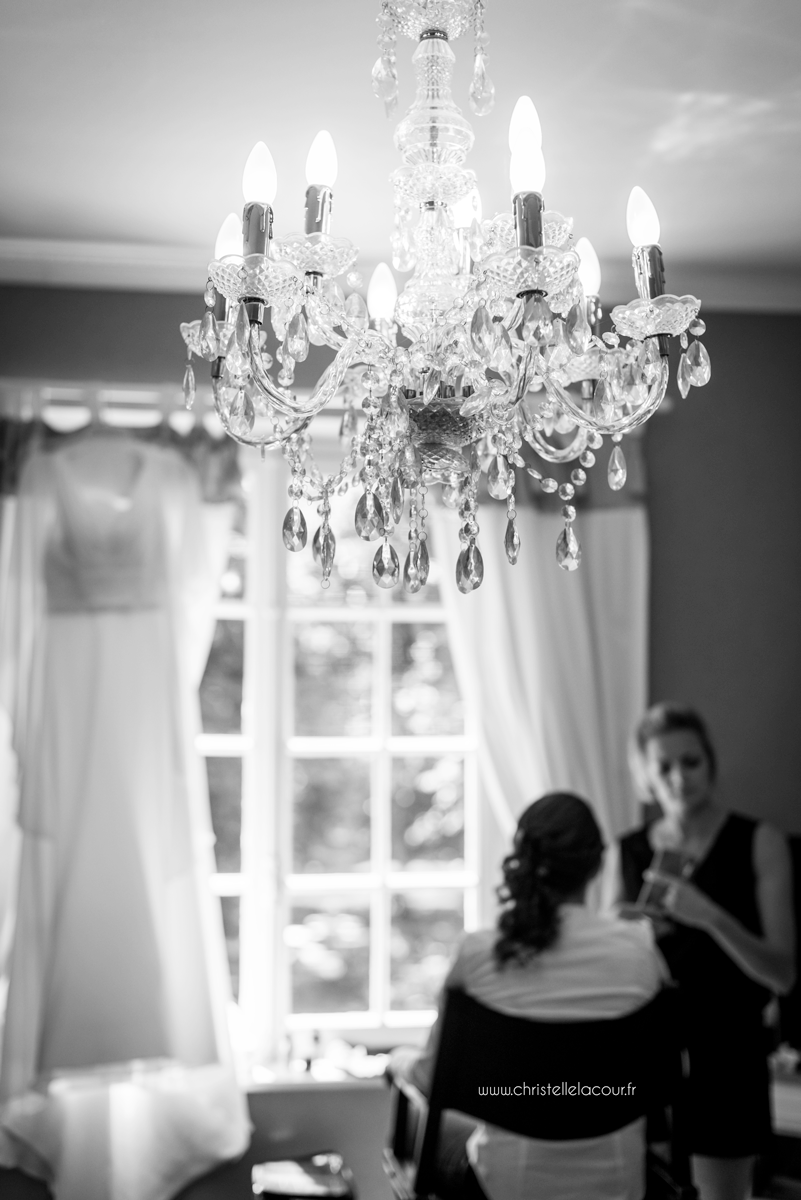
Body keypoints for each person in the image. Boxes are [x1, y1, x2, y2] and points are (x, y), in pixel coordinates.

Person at [390, 792, 666, 1200]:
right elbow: (664, 1072)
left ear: (522, 861)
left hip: (504, 1185)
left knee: (449, 1126)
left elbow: (432, 1079)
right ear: (599, 862)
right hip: (618, 1183)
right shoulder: (640, 951)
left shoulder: (479, 954)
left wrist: (398, 1061)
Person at [620, 702, 796, 1200]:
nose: (679, 778)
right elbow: (617, 971)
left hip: (729, 1051)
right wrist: (629, 936)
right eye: (663, 767)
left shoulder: (760, 842)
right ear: (646, 777)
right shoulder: (629, 851)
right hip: (648, 1052)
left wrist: (711, 916)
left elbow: (782, 974)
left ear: (711, 762)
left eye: (690, 762)